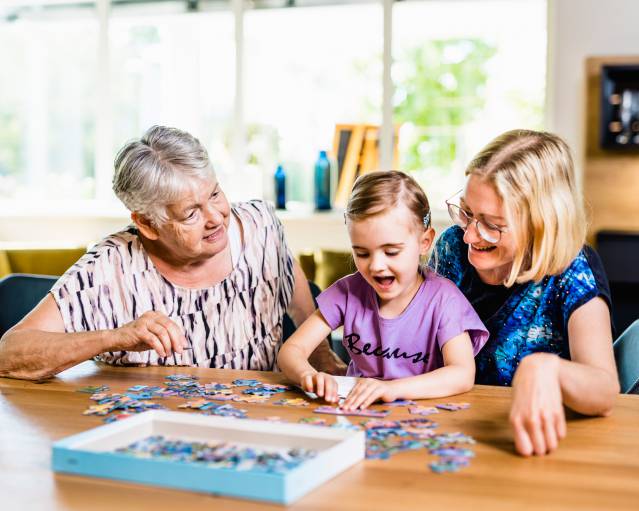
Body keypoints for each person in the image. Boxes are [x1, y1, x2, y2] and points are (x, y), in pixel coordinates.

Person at [0, 125, 344, 379]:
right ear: (147, 224)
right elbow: (9, 353)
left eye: (214, 193)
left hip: (256, 425)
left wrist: (325, 358)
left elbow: (301, 305)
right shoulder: (107, 267)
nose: (216, 218)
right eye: (191, 213)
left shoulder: (261, 226)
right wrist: (112, 338)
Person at [430, 129, 620, 456]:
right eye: (466, 213)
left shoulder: (573, 268)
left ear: (541, 223)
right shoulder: (451, 247)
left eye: (492, 224)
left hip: (534, 444)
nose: (469, 235)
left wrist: (545, 367)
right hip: (446, 433)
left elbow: (604, 390)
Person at [278, 171, 488, 410]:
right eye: (362, 253)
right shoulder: (348, 292)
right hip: (357, 414)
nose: (376, 266)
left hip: (425, 417)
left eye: (391, 252)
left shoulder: (444, 300)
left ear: (424, 242)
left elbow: (462, 373)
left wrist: (391, 389)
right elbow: (290, 351)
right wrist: (308, 375)